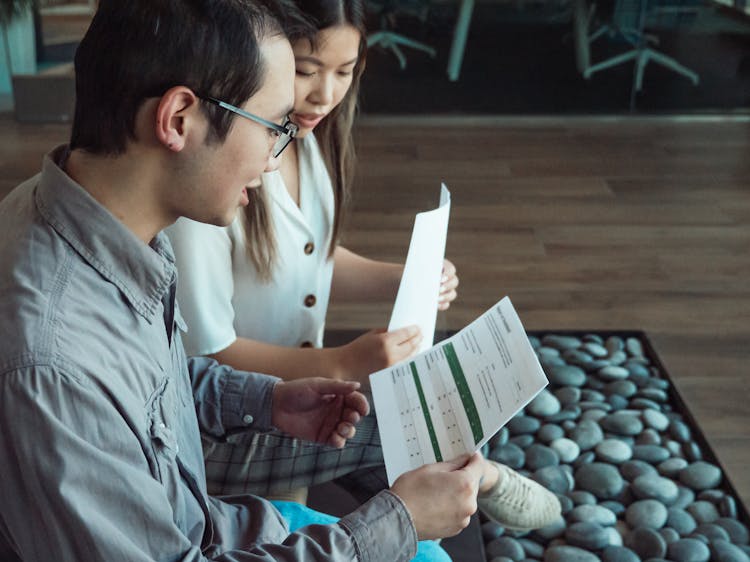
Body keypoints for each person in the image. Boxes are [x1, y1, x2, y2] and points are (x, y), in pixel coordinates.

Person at [0, 1, 485, 560]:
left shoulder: (90, 217)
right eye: (270, 126)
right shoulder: (52, 364)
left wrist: (265, 400)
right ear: (178, 118)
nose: (277, 158)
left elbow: (140, 385)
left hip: (217, 522)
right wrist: (396, 522)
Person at [166, 0, 562, 534]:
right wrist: (343, 362)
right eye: (306, 71)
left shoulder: (302, 143)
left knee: (427, 420)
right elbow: (203, 359)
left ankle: (467, 477)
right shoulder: (215, 183)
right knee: (422, 432)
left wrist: (400, 277)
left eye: (344, 72)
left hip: (303, 392)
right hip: (228, 422)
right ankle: (484, 475)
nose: (325, 94)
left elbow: (308, 261)